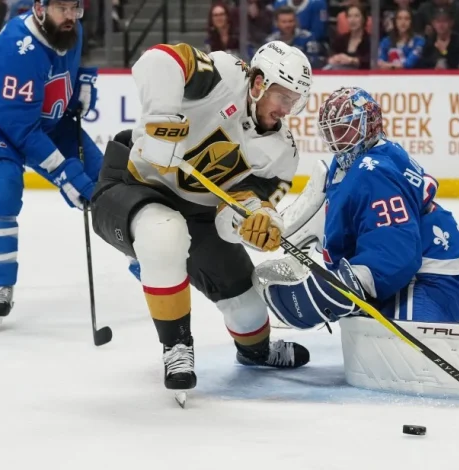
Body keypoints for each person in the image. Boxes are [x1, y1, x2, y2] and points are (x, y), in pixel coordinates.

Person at [252, 87, 459, 395]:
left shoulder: (371, 171)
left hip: (431, 278)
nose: (337, 142)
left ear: (369, 126)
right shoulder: (360, 160)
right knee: (365, 326)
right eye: (331, 133)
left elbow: (397, 253)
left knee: (401, 346)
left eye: (345, 131)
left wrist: (350, 284)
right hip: (426, 272)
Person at [90, 41, 313, 394]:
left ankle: (255, 351)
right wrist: (162, 118)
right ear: (258, 84)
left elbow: (234, 216)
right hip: (130, 185)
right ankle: (176, 345)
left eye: (294, 101)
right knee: (164, 234)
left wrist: (255, 223)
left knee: (249, 311)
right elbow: (157, 60)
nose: (286, 110)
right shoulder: (223, 75)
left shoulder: (281, 153)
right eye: (282, 97)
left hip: (200, 213)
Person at [0, 0, 101, 323]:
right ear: (39, 8)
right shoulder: (17, 49)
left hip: (48, 123)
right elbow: (20, 129)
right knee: (3, 183)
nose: (70, 16)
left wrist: (81, 81)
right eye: (62, 8)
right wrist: (64, 172)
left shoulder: (70, 27)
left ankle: (143, 256)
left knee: (103, 182)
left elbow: (63, 68)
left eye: (75, 8)